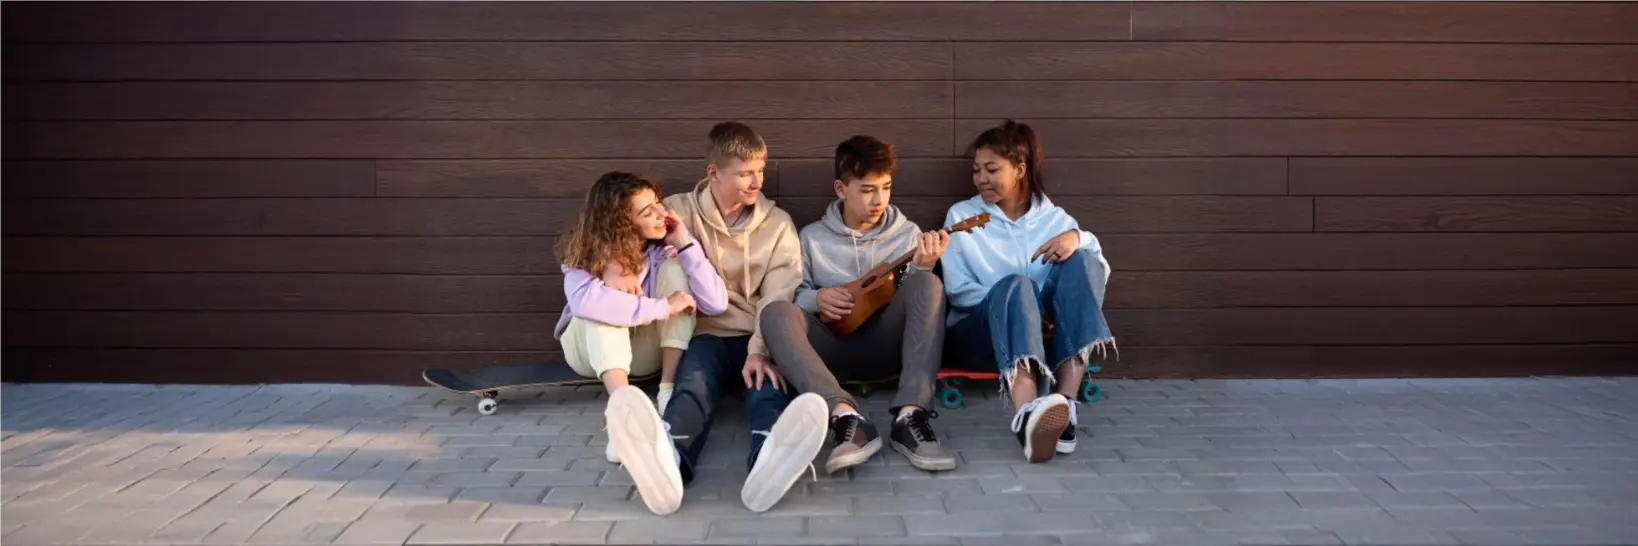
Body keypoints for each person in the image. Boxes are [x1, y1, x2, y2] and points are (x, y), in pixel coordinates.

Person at [604, 122, 828, 516]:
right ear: (714, 173)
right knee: (693, 386)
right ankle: (668, 460)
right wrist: (616, 265)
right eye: (745, 173)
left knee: (766, 388)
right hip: (703, 333)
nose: (756, 181)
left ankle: (768, 455)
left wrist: (760, 351)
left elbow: (778, 296)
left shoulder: (778, 226)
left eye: (760, 170)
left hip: (756, 335)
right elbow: (619, 229)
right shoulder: (677, 211)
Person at [761, 135, 957, 474]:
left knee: (929, 283)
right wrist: (816, 298)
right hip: (831, 350)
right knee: (775, 313)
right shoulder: (810, 237)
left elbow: (917, 308)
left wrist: (923, 267)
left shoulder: (908, 233)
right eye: (867, 190)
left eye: (886, 187)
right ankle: (846, 418)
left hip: (886, 345)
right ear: (841, 189)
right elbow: (796, 293)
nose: (878, 200)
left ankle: (911, 417)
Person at [938, 119, 1115, 463]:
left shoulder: (1055, 219)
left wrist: (1078, 238)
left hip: (1048, 341)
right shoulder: (962, 216)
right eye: (977, 170)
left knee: (1082, 261)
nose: (980, 178)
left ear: (1020, 170)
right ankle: (1027, 415)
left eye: (991, 169)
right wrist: (1025, 310)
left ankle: (1064, 408)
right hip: (981, 337)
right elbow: (959, 291)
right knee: (1018, 286)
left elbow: (1095, 279)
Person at [552, 171, 729, 465]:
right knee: (603, 308)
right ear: (622, 223)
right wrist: (662, 308)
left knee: (674, 270)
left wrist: (684, 243)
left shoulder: (663, 249)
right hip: (587, 353)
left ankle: (666, 394)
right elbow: (586, 303)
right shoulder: (583, 254)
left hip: (645, 353)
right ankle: (624, 419)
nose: (662, 213)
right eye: (649, 212)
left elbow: (717, 304)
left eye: (658, 204)